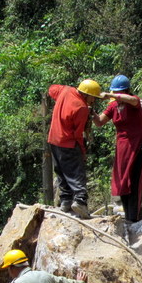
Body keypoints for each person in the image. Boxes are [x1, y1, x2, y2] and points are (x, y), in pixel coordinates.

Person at [92, 74, 142, 223]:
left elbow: (133, 100)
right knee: (122, 182)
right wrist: (91, 112)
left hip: (137, 146)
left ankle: (135, 218)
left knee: (134, 183)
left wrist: (110, 96)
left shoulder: (134, 102)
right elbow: (100, 122)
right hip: (122, 148)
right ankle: (128, 216)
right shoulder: (113, 106)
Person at [47, 79, 104, 219]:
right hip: (68, 142)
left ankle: (66, 200)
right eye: (93, 97)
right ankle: (80, 201)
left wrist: (62, 98)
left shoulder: (66, 90)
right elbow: (78, 134)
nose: (94, 101)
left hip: (54, 139)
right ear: (86, 94)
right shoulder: (81, 108)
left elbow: (52, 89)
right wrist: (82, 151)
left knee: (60, 170)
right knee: (76, 172)